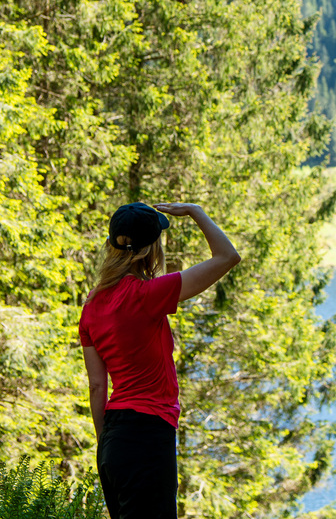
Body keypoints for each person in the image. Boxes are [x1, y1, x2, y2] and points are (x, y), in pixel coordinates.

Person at [79, 202, 241, 518]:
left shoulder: (91, 306)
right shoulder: (149, 294)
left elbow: (98, 387)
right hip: (148, 434)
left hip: (113, 441)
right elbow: (227, 257)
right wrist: (196, 211)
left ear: (112, 244)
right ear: (151, 249)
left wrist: (105, 447)